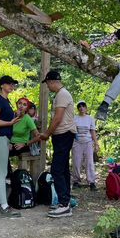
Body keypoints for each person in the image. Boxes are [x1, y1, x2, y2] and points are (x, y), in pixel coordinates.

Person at [38, 70, 77, 218]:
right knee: (63, 169)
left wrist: (47, 133)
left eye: (47, 84)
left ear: (53, 81)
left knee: (56, 169)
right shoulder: (61, 95)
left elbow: (58, 118)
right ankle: (65, 201)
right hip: (62, 135)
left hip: (64, 134)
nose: (47, 87)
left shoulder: (62, 95)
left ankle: (64, 205)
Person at [0, 76, 22, 218]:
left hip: (4, 139)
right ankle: (4, 206)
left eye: (13, 84)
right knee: (2, 173)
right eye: (9, 84)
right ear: (2, 85)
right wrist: (10, 123)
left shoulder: (6, 101)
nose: (12, 86)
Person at [71, 101, 99, 190]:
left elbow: (93, 131)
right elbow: (71, 131)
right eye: (79, 106)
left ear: (86, 108)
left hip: (88, 142)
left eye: (83, 106)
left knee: (89, 162)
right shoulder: (75, 118)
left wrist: (96, 143)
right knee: (76, 162)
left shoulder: (90, 118)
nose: (81, 108)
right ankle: (76, 181)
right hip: (77, 142)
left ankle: (92, 182)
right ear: (78, 109)